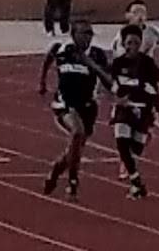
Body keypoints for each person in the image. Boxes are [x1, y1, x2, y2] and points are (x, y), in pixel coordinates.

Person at [38, 19, 109, 201]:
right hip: (65, 103)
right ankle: (73, 183)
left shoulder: (97, 54)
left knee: (75, 149)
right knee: (77, 133)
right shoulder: (61, 50)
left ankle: (55, 171)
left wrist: (90, 64)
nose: (87, 37)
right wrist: (43, 82)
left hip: (87, 105)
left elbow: (108, 79)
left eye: (90, 34)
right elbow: (48, 59)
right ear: (73, 35)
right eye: (84, 33)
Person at [108, 23, 159, 199]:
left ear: (140, 43)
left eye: (135, 43)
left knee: (136, 148)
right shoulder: (118, 63)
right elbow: (109, 85)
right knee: (122, 143)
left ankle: (142, 142)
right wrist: (117, 98)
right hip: (124, 109)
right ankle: (136, 182)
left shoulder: (147, 63)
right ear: (123, 44)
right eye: (128, 43)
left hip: (144, 110)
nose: (132, 47)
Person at [110, 0, 159, 67]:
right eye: (135, 12)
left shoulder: (153, 31)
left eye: (143, 13)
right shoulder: (122, 34)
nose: (140, 16)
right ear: (127, 15)